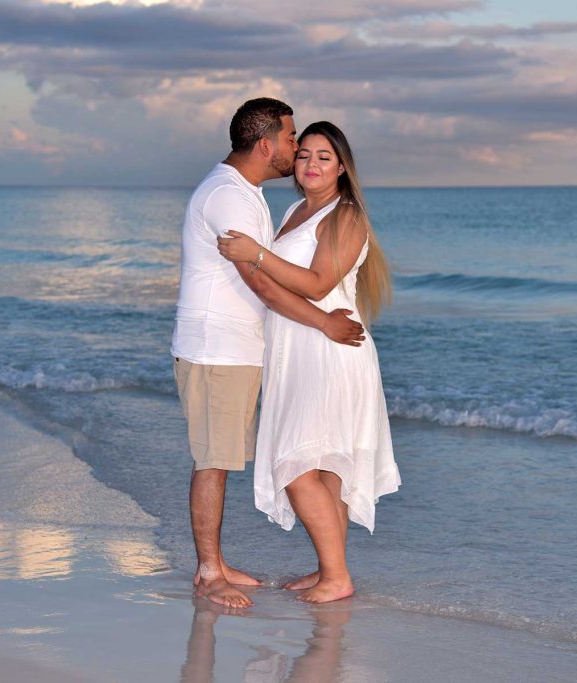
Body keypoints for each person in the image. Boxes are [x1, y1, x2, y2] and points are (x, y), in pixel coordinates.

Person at [171, 101, 367, 609]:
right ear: (267, 145)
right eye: (293, 142)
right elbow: (258, 280)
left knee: (317, 461)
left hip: (266, 349)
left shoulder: (251, 195)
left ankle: (329, 570)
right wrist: (323, 320)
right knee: (216, 459)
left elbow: (290, 272)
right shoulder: (234, 197)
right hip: (220, 347)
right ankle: (211, 571)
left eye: (319, 153)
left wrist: (321, 322)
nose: (297, 153)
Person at [217, 121, 401, 603]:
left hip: (329, 352)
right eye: (304, 155)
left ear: (342, 166)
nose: (311, 164)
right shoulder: (297, 210)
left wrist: (255, 253)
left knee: (298, 466)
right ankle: (329, 572)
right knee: (323, 471)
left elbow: (318, 283)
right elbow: (281, 287)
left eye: (324, 156)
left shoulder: (347, 216)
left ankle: (338, 578)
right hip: (297, 348)